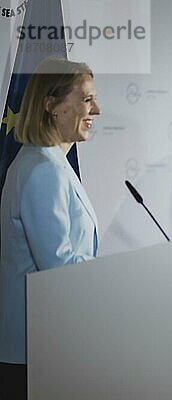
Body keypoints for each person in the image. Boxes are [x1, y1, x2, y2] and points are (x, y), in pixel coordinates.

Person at [0, 57, 100, 399]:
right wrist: (115, 274)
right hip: (35, 349)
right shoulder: (42, 169)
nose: (96, 110)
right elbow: (57, 268)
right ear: (51, 104)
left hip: (45, 344)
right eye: (86, 99)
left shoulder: (48, 163)